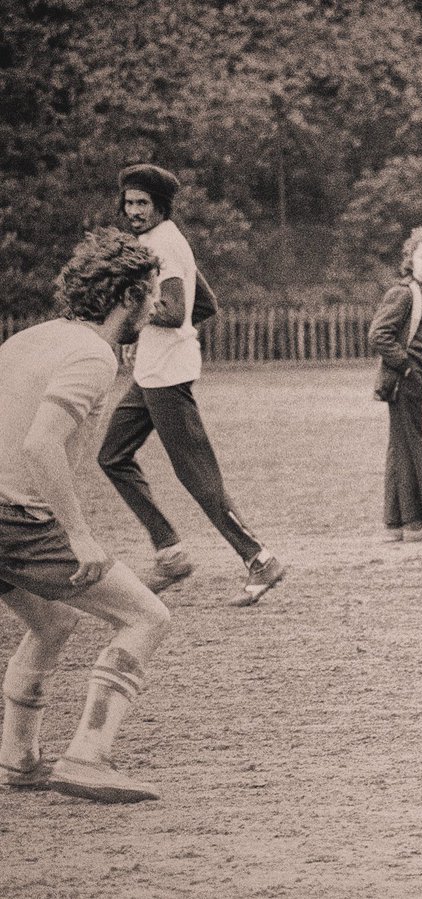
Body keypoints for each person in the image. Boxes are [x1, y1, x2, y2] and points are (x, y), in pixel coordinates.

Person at [0, 228, 171, 802]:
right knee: (148, 617)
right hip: (14, 519)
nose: (157, 303)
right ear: (128, 297)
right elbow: (41, 445)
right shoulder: (93, 354)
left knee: (52, 622)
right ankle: (87, 757)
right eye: (151, 292)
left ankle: (19, 761)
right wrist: (77, 534)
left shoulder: (33, 338)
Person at [97, 164, 284, 607]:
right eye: (129, 202)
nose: (134, 210)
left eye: (143, 203)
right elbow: (208, 303)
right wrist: (157, 337)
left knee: (197, 476)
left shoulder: (162, 244)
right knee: (112, 455)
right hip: (153, 372)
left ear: (160, 206)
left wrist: (132, 320)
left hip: (167, 376)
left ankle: (260, 558)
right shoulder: (158, 240)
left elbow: (178, 310)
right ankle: (170, 552)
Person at [369, 227, 422, 543]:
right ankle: (416, 524)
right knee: (411, 445)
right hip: (405, 376)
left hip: (415, 374)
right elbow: (378, 334)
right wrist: (405, 367)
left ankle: (395, 524)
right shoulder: (404, 292)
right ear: (411, 260)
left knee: (401, 445)